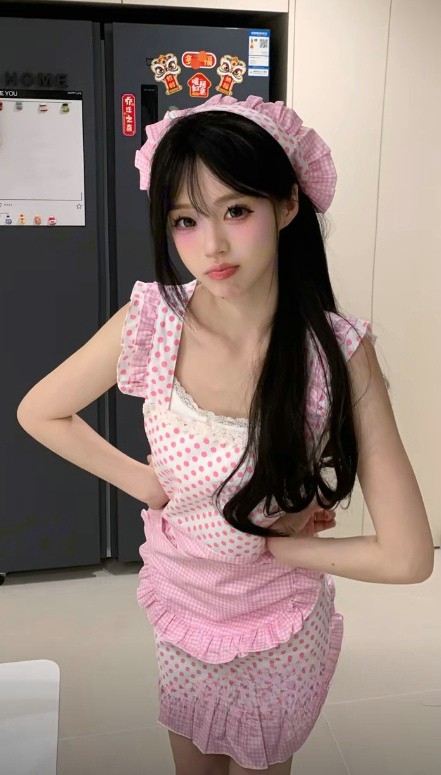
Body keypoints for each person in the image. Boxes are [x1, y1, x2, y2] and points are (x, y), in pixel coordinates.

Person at [17, 94, 433, 775]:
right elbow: (40, 411)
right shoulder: (151, 320)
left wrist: (279, 549)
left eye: (236, 210)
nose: (210, 246)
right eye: (185, 220)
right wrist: (143, 481)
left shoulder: (335, 350)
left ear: (287, 205)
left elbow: (409, 555)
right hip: (183, 608)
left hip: (277, 625)